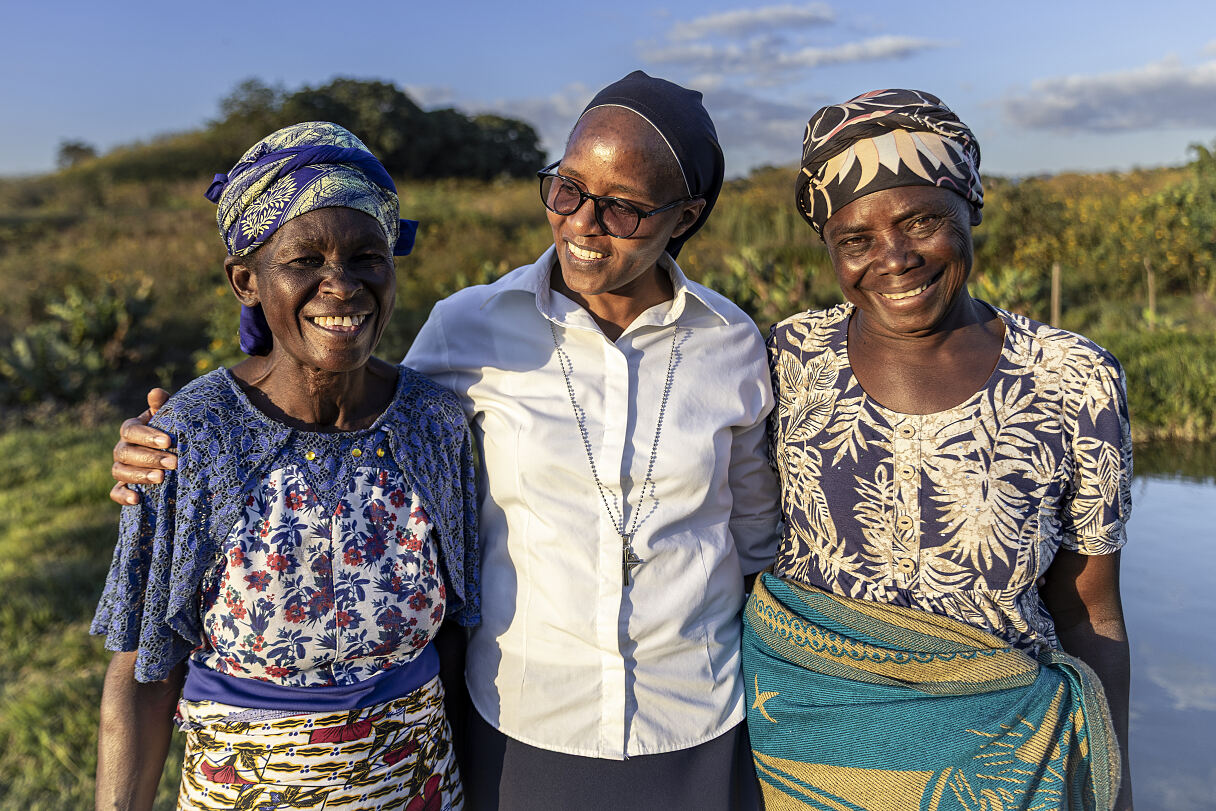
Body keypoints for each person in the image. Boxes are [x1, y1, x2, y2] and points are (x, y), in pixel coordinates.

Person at [109, 72, 778, 810]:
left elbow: (751, 543)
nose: (584, 223)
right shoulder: (468, 329)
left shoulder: (731, 344)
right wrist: (164, 443)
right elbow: (142, 659)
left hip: (678, 721)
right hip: (506, 728)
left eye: (622, 207)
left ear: (683, 216)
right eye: (567, 190)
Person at [744, 89, 1132, 810]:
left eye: (921, 220)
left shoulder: (1073, 378)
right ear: (830, 247)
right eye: (854, 238)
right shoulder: (787, 360)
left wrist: (1112, 776)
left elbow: (1090, 613)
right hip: (808, 760)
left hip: (1005, 762)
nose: (893, 258)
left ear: (970, 206)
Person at [92, 122, 480, 811]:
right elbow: (142, 674)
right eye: (306, 261)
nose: (342, 286)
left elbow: (457, 639)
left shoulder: (434, 422)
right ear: (246, 280)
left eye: (367, 257)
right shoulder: (194, 434)